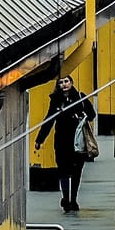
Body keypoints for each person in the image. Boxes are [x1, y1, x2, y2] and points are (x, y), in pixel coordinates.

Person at [36, 75, 95, 213]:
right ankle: (66, 198)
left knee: (76, 172)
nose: (64, 84)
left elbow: (92, 115)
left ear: (72, 82)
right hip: (62, 141)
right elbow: (49, 121)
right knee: (62, 170)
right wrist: (40, 139)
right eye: (61, 82)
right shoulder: (56, 101)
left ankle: (73, 199)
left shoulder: (80, 97)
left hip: (78, 141)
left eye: (66, 81)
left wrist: (81, 114)